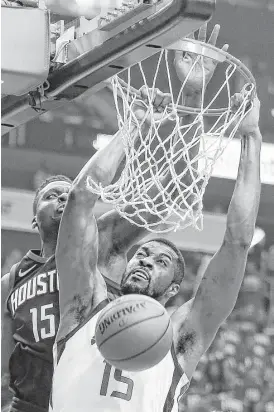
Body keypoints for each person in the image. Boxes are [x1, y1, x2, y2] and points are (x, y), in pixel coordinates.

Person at [1, 24, 226, 412]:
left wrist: (190, 95)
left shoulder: (104, 241)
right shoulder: (11, 280)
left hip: (86, 395)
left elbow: (177, 184)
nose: (62, 200)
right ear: (33, 218)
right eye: (50, 196)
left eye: (65, 194)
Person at [51, 37, 262, 412]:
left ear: (175, 288)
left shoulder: (183, 335)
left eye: (161, 262)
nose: (145, 259)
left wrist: (251, 138)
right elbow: (81, 200)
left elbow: (238, 242)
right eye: (143, 253)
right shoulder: (83, 305)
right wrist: (130, 129)